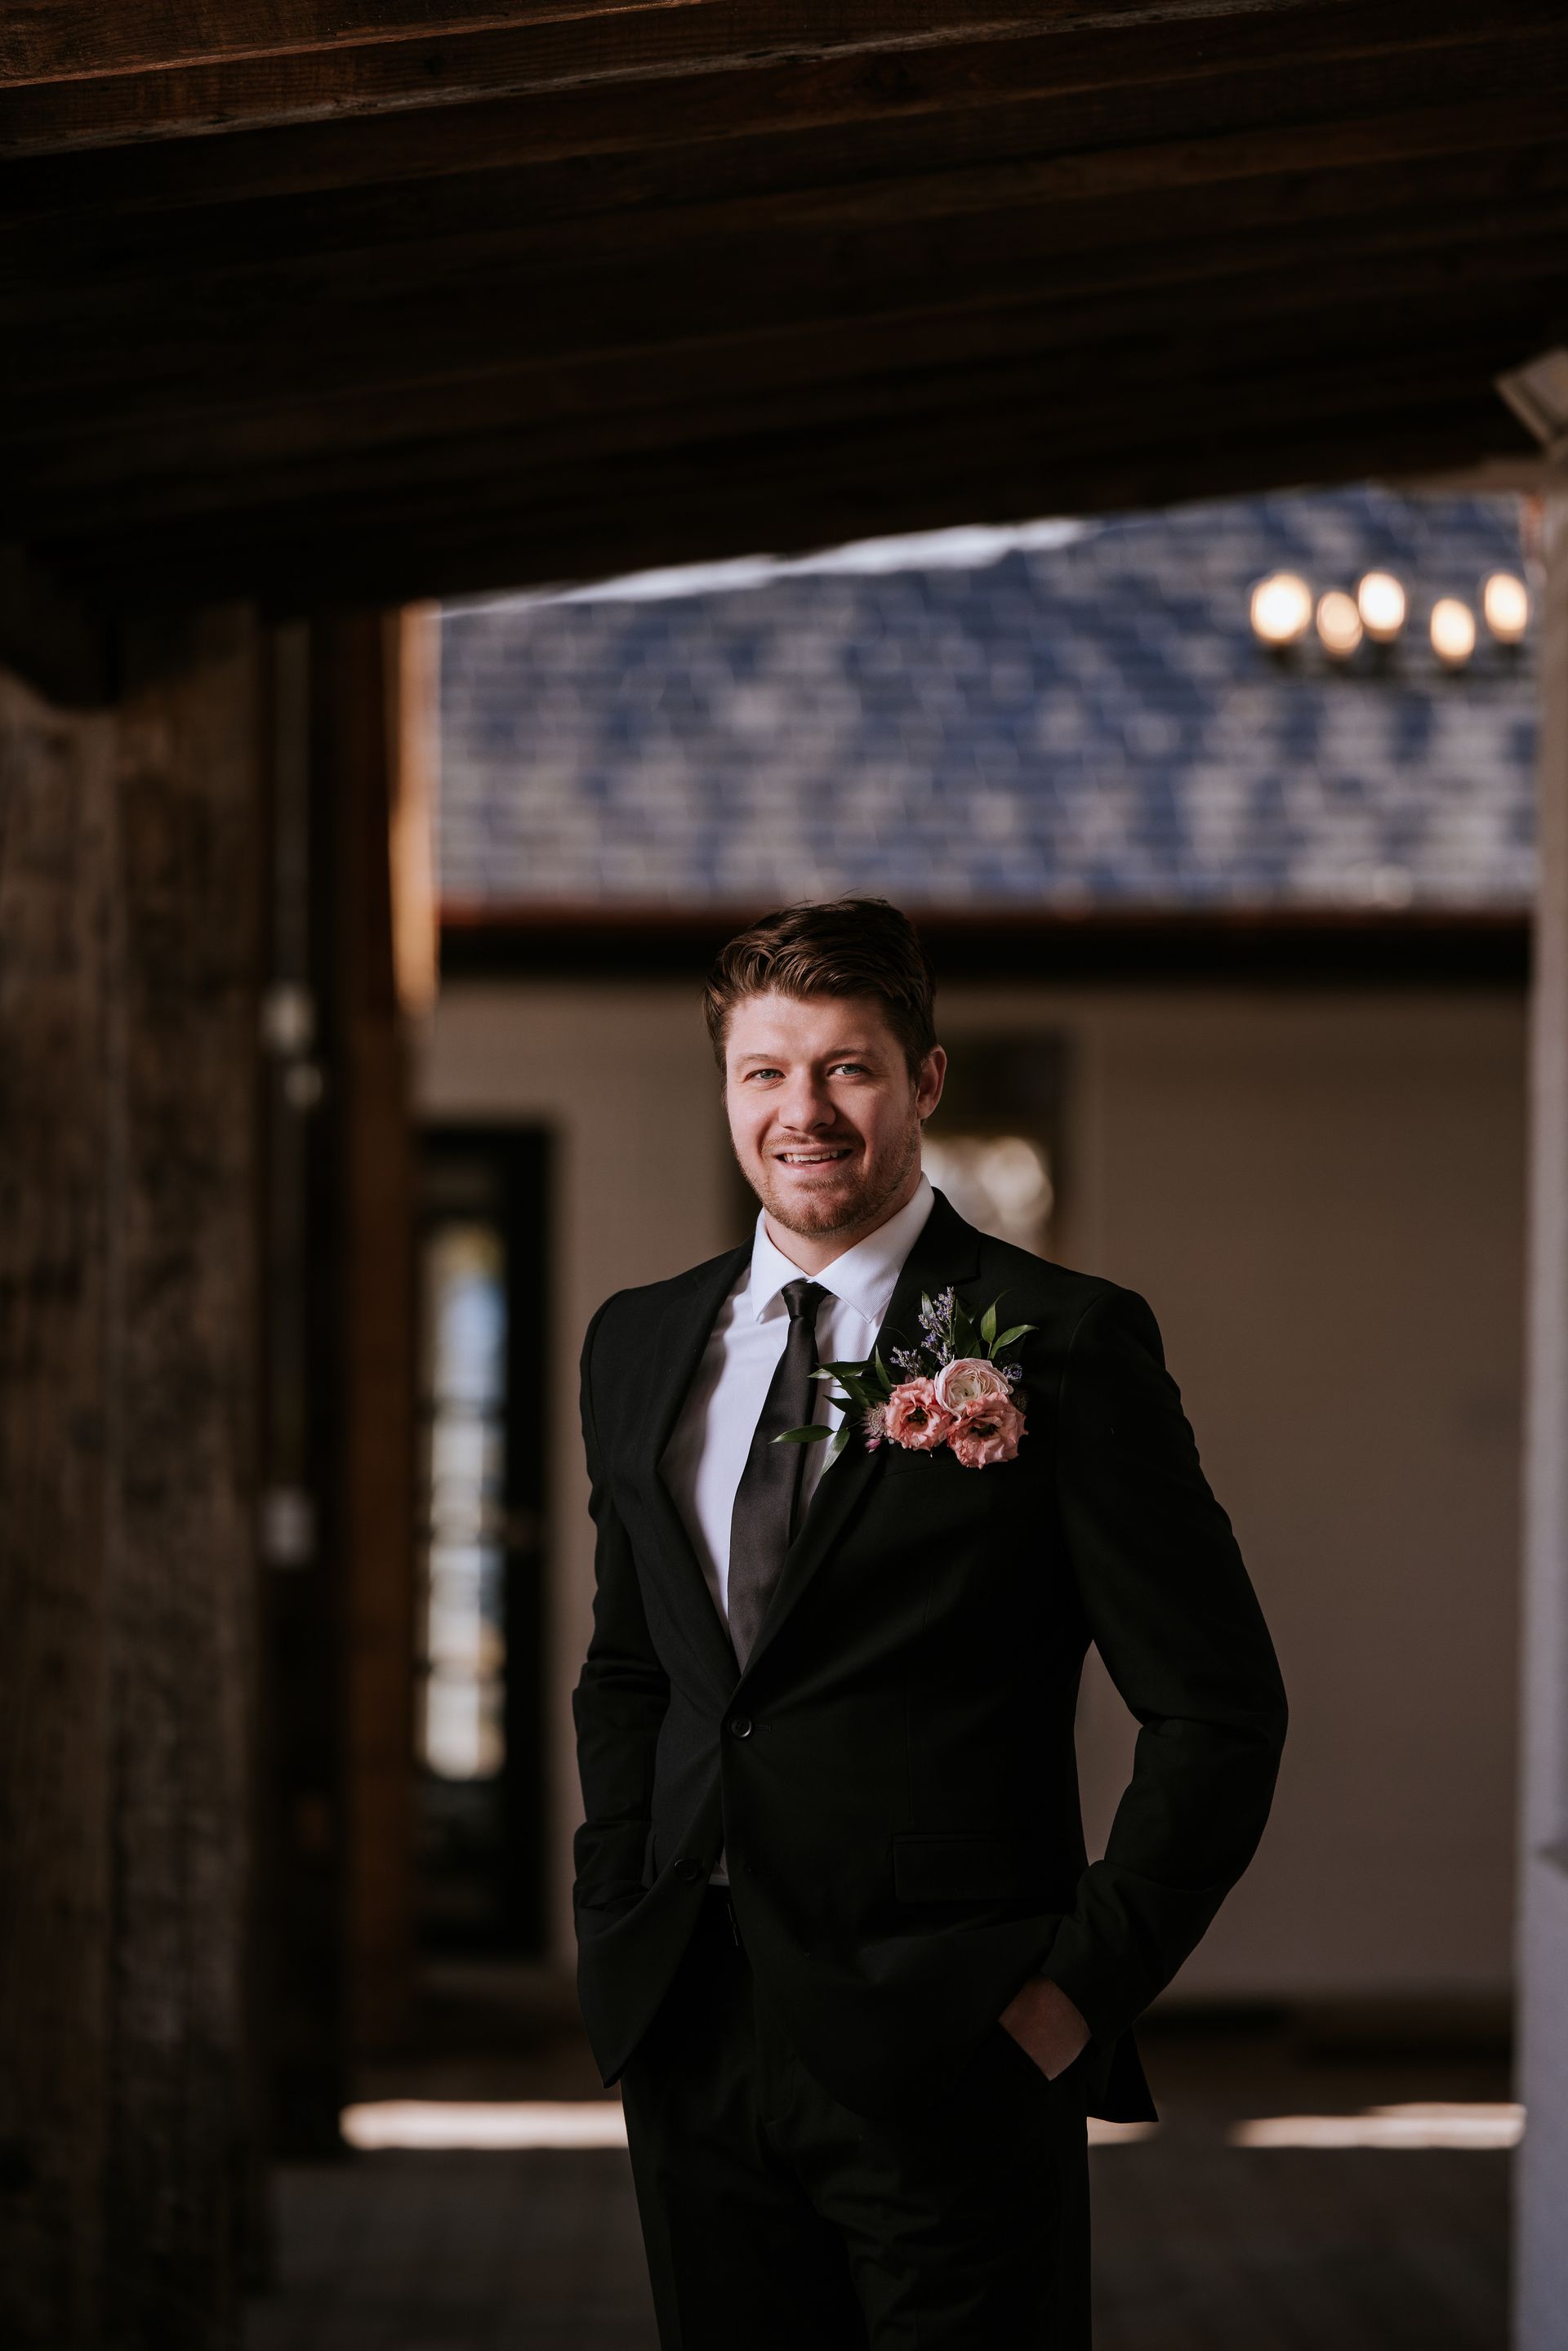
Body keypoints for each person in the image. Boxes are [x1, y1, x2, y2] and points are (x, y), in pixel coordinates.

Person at [572, 897, 1287, 2347]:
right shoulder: (638, 1339)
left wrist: (1073, 1994)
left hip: (954, 2033)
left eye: (847, 1068)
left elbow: (1219, 1709)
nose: (803, 1111)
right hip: (694, 2027)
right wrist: (615, 1911)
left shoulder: (1065, 1341)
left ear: (924, 1083)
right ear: (725, 1087)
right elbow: (633, 1667)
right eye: (765, 1072)